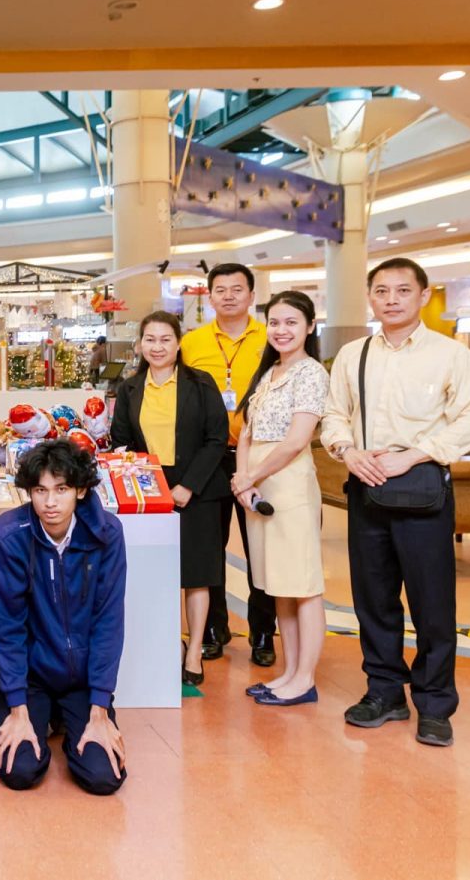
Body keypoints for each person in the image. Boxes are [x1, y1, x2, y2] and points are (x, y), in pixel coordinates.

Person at [321, 258, 470, 747]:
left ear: (422, 295)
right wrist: (347, 451)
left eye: (402, 290)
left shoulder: (451, 354)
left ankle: (434, 704)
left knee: (432, 603)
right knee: (373, 599)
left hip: (422, 488)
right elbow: (335, 414)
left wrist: (412, 456)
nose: (390, 299)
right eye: (381, 290)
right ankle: (385, 691)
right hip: (366, 486)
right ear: (370, 297)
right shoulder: (353, 354)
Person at [0, 441, 128, 795]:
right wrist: (17, 709)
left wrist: (99, 709)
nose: (50, 502)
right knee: (18, 770)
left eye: (61, 489)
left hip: (82, 680)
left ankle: (68, 722)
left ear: (80, 490)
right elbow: (7, 627)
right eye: (40, 490)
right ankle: (42, 718)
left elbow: (108, 623)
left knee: (103, 777)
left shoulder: (107, 534)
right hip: (32, 678)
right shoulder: (9, 534)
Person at [110, 311, 229, 688]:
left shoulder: (200, 383)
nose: (157, 347)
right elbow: (121, 441)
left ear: (179, 344)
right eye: (150, 339)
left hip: (198, 489)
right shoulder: (130, 388)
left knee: (197, 575)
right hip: (149, 490)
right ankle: (167, 644)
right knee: (157, 572)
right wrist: (141, 483)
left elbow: (216, 438)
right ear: (139, 344)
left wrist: (188, 486)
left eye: (165, 340)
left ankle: (194, 652)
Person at [232, 292, 330, 707]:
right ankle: (289, 673)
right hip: (258, 486)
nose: (281, 330)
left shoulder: (310, 373)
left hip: (288, 486)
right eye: (274, 322)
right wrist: (243, 480)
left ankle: (305, 679)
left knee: (302, 585)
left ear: (309, 326)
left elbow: (295, 441)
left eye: (291, 322)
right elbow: (247, 433)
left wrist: (249, 477)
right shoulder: (269, 371)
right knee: (279, 585)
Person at [181, 262, 275, 666]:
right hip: (209, 459)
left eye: (237, 289)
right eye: (220, 290)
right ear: (210, 296)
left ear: (252, 295)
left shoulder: (270, 337)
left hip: (260, 460)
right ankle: (213, 629)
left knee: (261, 548)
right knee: (209, 548)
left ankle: (263, 632)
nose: (229, 296)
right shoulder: (192, 343)